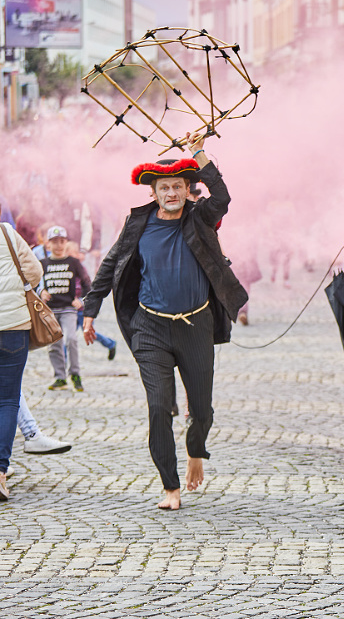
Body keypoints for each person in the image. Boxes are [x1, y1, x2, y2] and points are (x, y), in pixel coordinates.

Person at [82, 134, 248, 510]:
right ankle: (170, 487)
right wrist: (91, 308)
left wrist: (198, 153)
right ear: (153, 192)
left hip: (196, 325)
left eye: (177, 186)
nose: (171, 192)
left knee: (201, 411)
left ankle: (195, 448)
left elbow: (221, 196)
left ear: (188, 190)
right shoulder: (137, 223)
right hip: (150, 326)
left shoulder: (201, 217)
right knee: (159, 406)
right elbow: (111, 265)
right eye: (164, 187)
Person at [0, 215, 43, 501]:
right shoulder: (7, 232)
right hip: (13, 328)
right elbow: (35, 272)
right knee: (7, 400)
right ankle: (0, 474)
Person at [39, 226, 91, 392]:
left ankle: (75, 374)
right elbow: (32, 283)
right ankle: (60, 377)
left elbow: (87, 283)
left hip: (68, 309)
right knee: (54, 344)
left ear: (66, 242)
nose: (59, 245)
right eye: (55, 242)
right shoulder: (43, 264)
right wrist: (41, 292)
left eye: (62, 241)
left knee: (71, 339)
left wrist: (81, 300)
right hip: (50, 311)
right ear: (48, 244)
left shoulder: (73, 262)